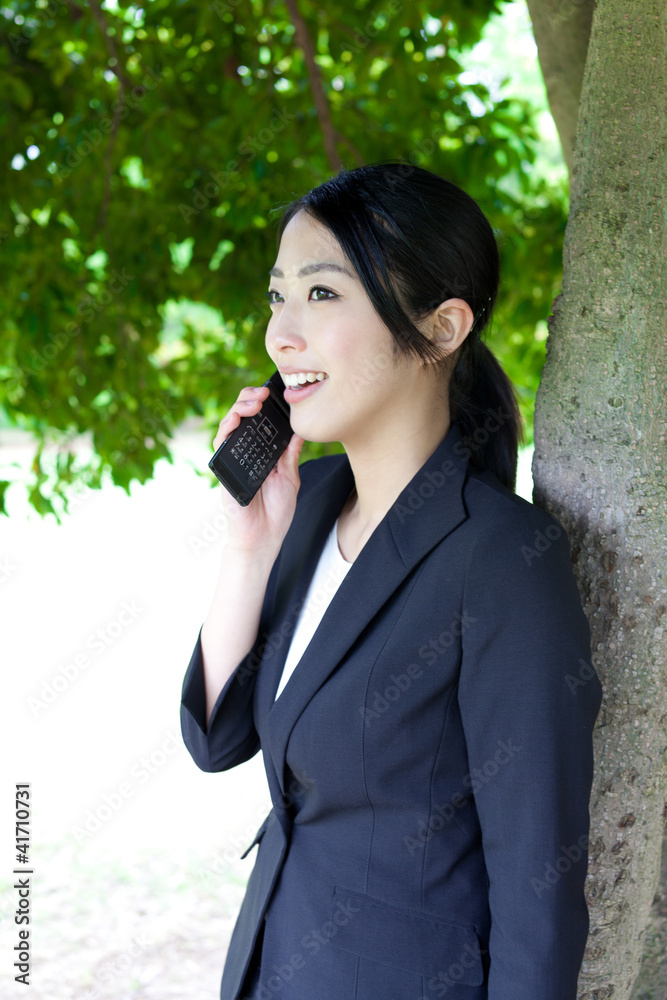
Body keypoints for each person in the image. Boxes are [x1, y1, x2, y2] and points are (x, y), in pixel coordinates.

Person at [180, 162, 602, 1000]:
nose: (280, 335)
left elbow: (538, 902)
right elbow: (216, 741)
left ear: (442, 328)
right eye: (277, 297)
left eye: (322, 295)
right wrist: (250, 546)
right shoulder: (306, 509)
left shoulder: (502, 560)